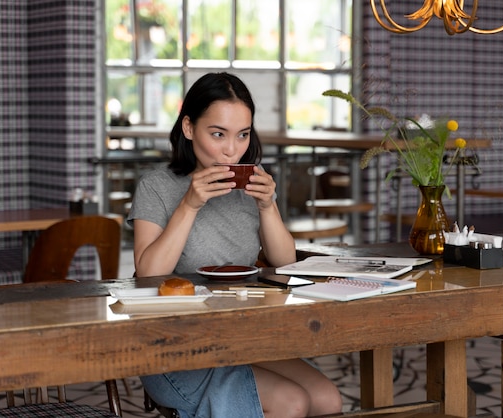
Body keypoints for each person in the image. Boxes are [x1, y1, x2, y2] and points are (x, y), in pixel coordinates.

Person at [127, 72, 343, 418]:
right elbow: (147, 274)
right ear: (188, 128)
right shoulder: (156, 187)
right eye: (218, 134)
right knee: (292, 402)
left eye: (243, 135)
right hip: (174, 345)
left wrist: (267, 205)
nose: (232, 149)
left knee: (327, 398)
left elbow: (284, 261)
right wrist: (190, 204)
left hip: (241, 335)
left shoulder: (249, 187)